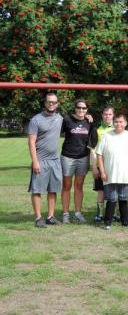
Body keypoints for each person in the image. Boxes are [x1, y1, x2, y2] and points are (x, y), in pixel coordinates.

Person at [96, 114, 128, 229]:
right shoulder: (106, 135)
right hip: (110, 173)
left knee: (123, 198)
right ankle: (107, 222)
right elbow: (99, 154)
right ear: (113, 122)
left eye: (121, 122)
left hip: (126, 174)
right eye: (116, 122)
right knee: (111, 198)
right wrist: (102, 171)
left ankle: (125, 221)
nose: (118, 124)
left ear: (126, 123)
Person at [28, 93, 64, 227]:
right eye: (49, 102)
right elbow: (31, 142)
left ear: (57, 104)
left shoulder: (60, 118)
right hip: (40, 160)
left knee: (53, 189)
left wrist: (86, 117)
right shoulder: (36, 119)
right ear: (45, 103)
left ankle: (50, 216)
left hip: (55, 160)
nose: (51, 104)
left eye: (54, 102)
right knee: (37, 190)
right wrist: (35, 161)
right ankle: (38, 218)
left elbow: (74, 121)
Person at [60, 99, 96, 224]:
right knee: (66, 186)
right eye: (79, 108)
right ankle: (65, 214)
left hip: (83, 157)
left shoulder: (89, 121)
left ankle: (78, 213)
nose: (81, 110)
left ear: (87, 109)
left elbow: (93, 139)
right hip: (67, 157)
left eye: (84, 108)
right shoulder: (67, 120)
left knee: (79, 186)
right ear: (75, 108)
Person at [91, 105, 114, 223]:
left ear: (113, 115)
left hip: (114, 166)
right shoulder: (96, 129)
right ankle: (99, 214)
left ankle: (114, 213)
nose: (108, 116)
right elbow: (93, 150)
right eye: (106, 114)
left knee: (114, 190)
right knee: (101, 190)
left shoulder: (118, 128)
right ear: (102, 115)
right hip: (101, 165)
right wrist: (94, 167)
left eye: (110, 114)